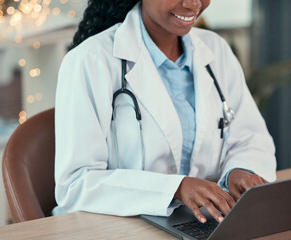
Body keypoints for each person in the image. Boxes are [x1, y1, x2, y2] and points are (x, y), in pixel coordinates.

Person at [54, 0, 276, 224]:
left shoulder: (215, 50)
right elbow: (76, 184)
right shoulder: (91, 60)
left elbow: (251, 138)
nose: (193, 4)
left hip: (202, 223)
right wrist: (175, 189)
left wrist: (239, 170)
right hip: (114, 228)